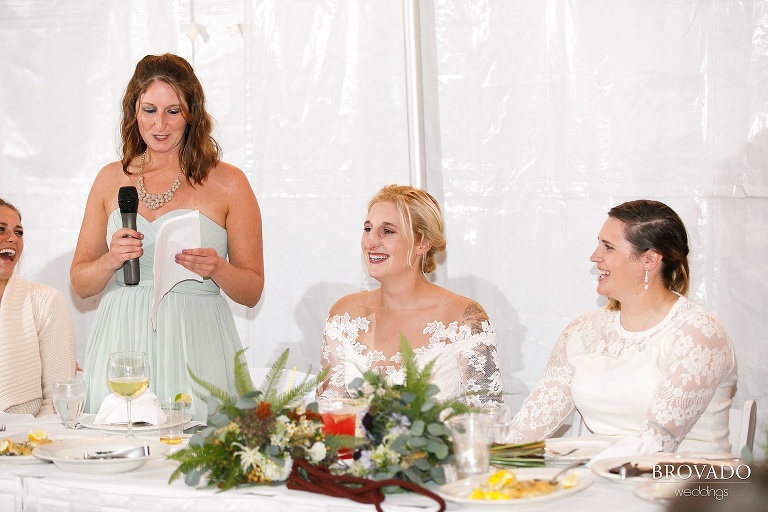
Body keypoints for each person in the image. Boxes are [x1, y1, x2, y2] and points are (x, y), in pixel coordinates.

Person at [71, 53, 264, 420]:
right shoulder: (110, 178)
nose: (160, 124)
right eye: (149, 110)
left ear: (192, 113)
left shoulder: (229, 183)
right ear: (133, 112)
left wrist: (217, 268)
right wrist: (111, 259)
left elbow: (252, 290)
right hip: (122, 343)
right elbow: (80, 284)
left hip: (196, 339)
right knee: (118, 454)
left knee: (195, 458)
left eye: (173, 111)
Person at [508, 199, 736, 454]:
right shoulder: (584, 330)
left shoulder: (699, 332)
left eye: (608, 247)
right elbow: (525, 432)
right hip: (602, 477)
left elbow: (656, 445)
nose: (594, 257)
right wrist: (486, 457)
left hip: (687, 484)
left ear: (649, 259)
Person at [316, 184, 502, 406]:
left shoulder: (464, 318)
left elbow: (488, 420)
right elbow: (327, 414)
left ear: (422, 243)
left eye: (387, 231)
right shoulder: (344, 314)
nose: (370, 242)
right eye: (368, 229)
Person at [0, 198, 77, 416]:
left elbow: (58, 401)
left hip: (27, 441)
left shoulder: (46, 301)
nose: (12, 239)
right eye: (0, 229)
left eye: (19, 232)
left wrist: (30, 442)